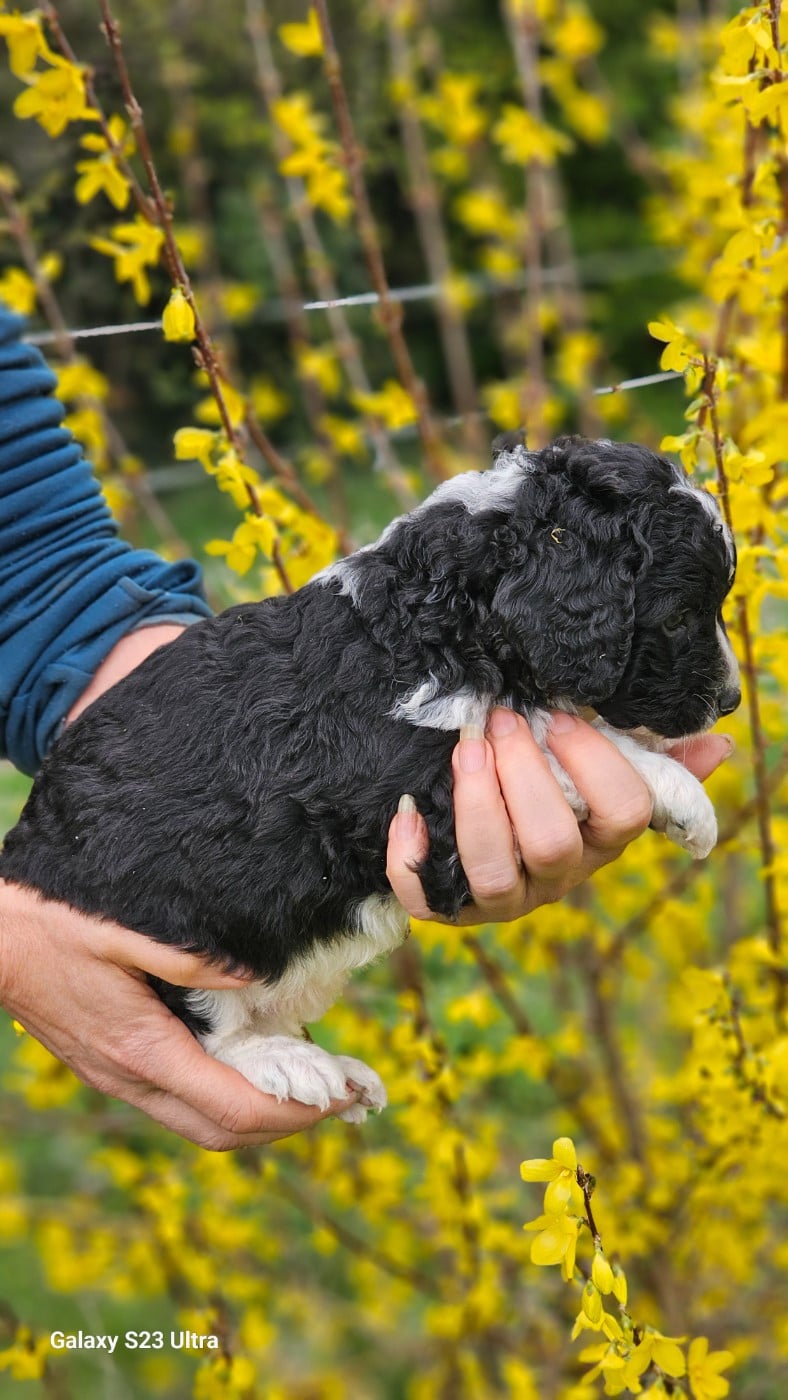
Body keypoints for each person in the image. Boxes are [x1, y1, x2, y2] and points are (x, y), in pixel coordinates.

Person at [0, 305, 733, 1150]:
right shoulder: (426, 656)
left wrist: (110, 663)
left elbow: (31, 553)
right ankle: (228, 1030)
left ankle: (239, 1026)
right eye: (681, 622)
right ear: (567, 602)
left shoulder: (443, 625)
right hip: (169, 931)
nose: (714, 671)